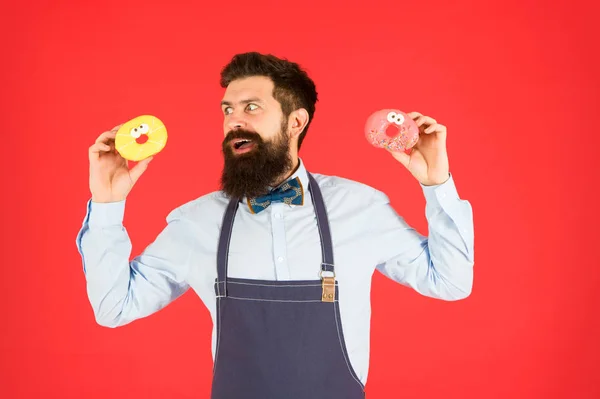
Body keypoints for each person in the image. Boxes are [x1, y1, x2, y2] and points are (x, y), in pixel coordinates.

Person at [76, 52, 474, 398]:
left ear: (296, 120)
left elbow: (450, 282)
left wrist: (437, 184)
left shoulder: (360, 206)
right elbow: (114, 308)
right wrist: (108, 205)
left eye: (251, 107)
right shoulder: (196, 221)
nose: (234, 120)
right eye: (227, 110)